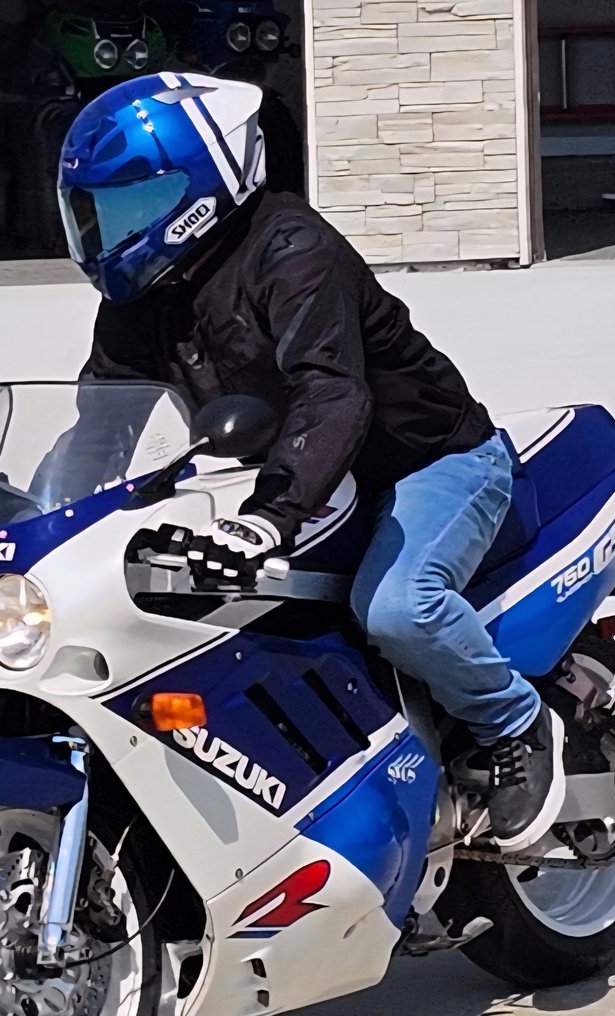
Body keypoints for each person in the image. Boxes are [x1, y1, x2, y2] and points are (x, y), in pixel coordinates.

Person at [57, 72, 564, 852]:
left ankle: (515, 726)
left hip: (427, 459)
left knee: (396, 606)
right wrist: (41, 506)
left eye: (128, 204)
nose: (108, 230)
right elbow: (103, 422)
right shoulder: (140, 298)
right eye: (95, 211)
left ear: (194, 187)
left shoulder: (294, 251)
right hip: (295, 470)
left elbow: (332, 395)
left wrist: (270, 515)